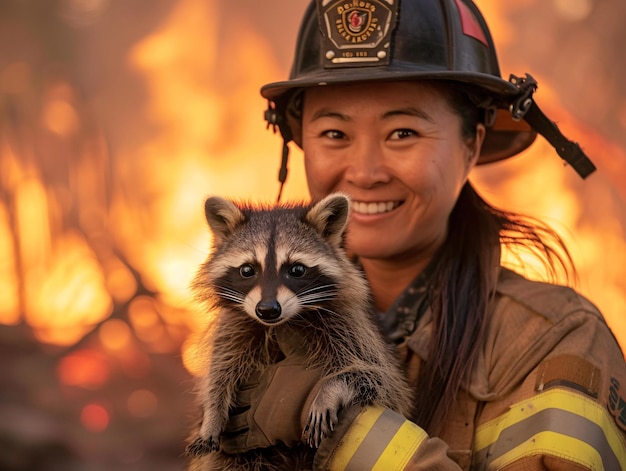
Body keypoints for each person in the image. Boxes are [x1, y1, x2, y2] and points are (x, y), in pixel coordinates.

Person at [215, 1, 626, 469]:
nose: (365, 173)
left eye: (403, 132)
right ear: (300, 143)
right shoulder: (263, 319)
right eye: (334, 133)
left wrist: (352, 430)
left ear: (470, 145)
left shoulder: (553, 339)